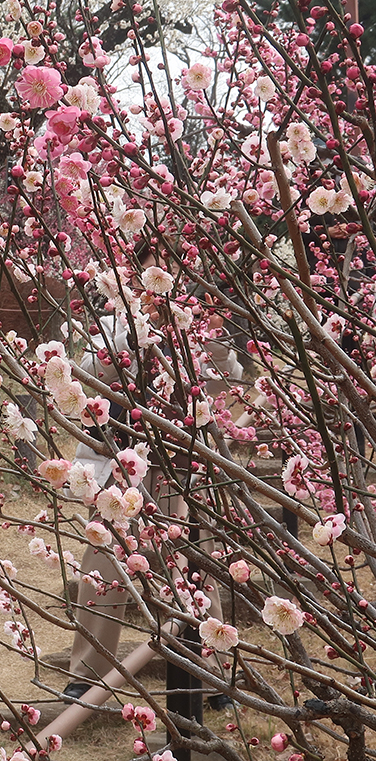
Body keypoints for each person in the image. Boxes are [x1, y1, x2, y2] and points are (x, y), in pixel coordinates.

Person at [62, 249, 242, 711]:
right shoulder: (114, 322)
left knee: (185, 567)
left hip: (177, 467)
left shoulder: (193, 329)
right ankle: (87, 675)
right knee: (102, 568)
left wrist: (200, 335)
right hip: (119, 461)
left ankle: (215, 672)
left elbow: (227, 379)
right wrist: (134, 339)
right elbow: (84, 378)